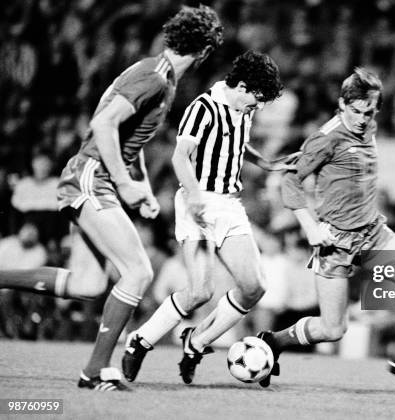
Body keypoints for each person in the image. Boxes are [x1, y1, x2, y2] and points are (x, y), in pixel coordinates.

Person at [0, 5, 224, 391]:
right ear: (204, 52)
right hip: (93, 177)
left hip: (92, 177)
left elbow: (126, 138)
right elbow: (102, 123)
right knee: (138, 271)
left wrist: (143, 188)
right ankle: (96, 370)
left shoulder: (158, 75)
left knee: (88, 284)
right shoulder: (155, 77)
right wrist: (123, 183)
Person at [255, 68, 395, 388]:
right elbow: (291, 181)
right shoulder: (327, 137)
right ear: (341, 104)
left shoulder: (369, 126)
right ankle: (274, 342)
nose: (362, 119)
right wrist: (310, 227)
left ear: (376, 109)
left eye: (369, 112)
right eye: (355, 111)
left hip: (372, 233)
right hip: (334, 241)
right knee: (333, 330)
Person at [121, 51, 295, 385]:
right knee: (200, 291)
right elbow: (180, 157)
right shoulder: (203, 108)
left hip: (229, 206)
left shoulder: (243, 109)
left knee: (254, 287)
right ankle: (139, 340)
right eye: (256, 100)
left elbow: (238, 146)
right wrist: (197, 196)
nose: (257, 107)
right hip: (197, 205)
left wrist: (268, 164)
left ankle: (197, 341)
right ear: (241, 86)